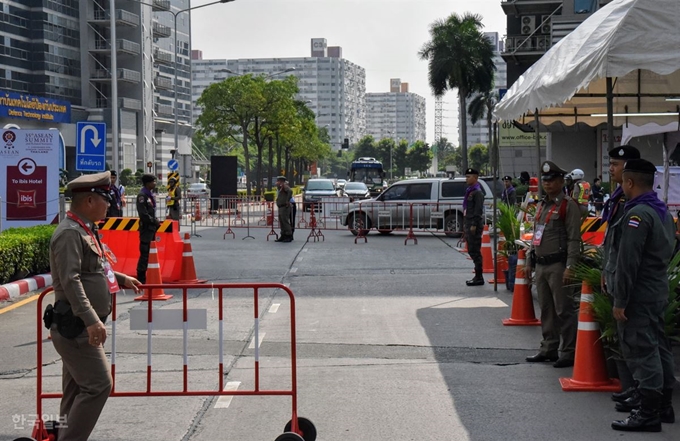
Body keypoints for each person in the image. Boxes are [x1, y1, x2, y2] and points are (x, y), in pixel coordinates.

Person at [48, 171, 141, 440]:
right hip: (76, 328)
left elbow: (95, 268)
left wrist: (121, 279)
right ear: (89, 200)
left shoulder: (85, 229)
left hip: (79, 328)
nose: (110, 204)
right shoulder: (68, 233)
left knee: (76, 390)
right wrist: (91, 319)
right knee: (99, 384)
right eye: (106, 199)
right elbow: (70, 279)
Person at [609, 159, 676, 432]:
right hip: (657, 288)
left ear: (629, 182)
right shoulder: (662, 212)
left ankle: (647, 413)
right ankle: (663, 406)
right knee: (660, 348)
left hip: (639, 293)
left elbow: (628, 262)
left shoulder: (637, 215)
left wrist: (621, 300)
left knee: (642, 350)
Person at [525, 161, 581, 368]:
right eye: (545, 180)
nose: (547, 184)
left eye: (551, 180)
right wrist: (530, 261)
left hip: (558, 265)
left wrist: (571, 266)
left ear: (560, 181)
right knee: (546, 309)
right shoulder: (542, 205)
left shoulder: (568, 205)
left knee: (563, 310)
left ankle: (568, 352)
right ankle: (549, 348)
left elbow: (574, 239)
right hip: (541, 264)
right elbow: (535, 236)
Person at [136, 174, 160, 283]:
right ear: (147, 183)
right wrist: (153, 221)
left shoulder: (149, 195)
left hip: (151, 228)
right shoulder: (142, 196)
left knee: (151, 253)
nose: (154, 183)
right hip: (146, 229)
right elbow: (143, 214)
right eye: (153, 181)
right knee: (145, 253)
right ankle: (141, 277)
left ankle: (148, 275)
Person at [463, 168, 485, 286]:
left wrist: (474, 225)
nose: (466, 179)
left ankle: (479, 276)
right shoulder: (470, 191)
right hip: (469, 222)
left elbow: (478, 210)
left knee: (475, 251)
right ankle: (477, 276)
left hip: (474, 224)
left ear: (475, 178)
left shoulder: (477, 192)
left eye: (469, 176)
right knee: (471, 250)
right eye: (466, 176)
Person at [275, 176, 293, 242]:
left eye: (278, 181)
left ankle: (289, 235)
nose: (277, 182)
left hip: (284, 207)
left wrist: (287, 200)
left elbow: (290, 191)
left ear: (281, 181)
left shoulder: (285, 186)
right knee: (281, 222)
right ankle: (283, 235)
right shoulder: (280, 187)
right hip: (281, 207)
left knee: (285, 222)